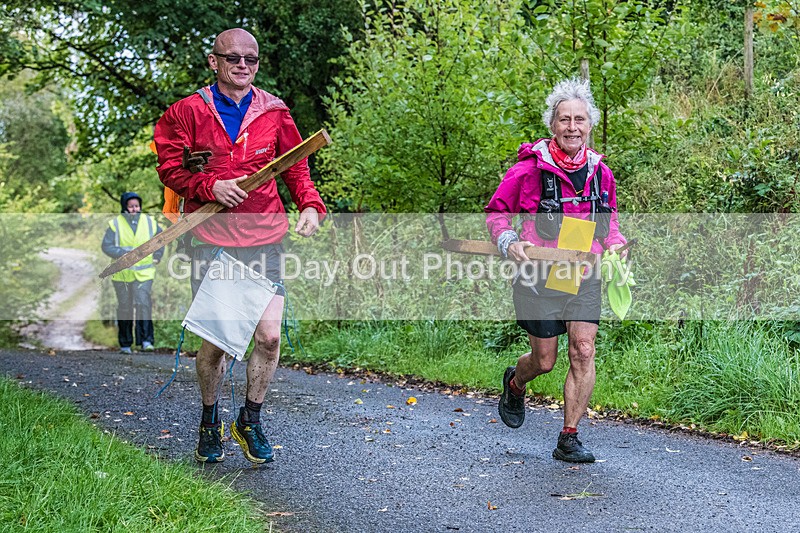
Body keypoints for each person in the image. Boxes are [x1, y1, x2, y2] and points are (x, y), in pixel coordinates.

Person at [153, 28, 326, 465]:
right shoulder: (186, 112)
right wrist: (209, 184)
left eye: (250, 59)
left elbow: (295, 165)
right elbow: (170, 169)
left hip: (266, 237)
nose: (242, 66)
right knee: (218, 342)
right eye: (233, 58)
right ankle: (210, 419)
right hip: (210, 239)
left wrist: (308, 204)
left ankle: (249, 417)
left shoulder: (275, 111)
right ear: (214, 62)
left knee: (268, 337)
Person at [485, 78, 626, 463]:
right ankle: (515, 382)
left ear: (590, 125)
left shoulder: (602, 173)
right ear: (553, 125)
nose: (572, 127)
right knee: (544, 360)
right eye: (564, 119)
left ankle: (569, 436)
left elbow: (608, 221)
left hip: (582, 274)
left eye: (579, 119)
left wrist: (615, 243)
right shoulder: (528, 171)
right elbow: (497, 212)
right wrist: (507, 240)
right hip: (538, 274)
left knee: (583, 349)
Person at [101, 192, 163, 354]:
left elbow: (161, 240)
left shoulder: (150, 222)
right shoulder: (115, 224)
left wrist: (157, 256)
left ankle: (146, 341)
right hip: (122, 275)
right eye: (131, 206)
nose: (134, 209)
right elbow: (106, 246)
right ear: (125, 207)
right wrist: (123, 252)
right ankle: (125, 343)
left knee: (143, 305)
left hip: (145, 273)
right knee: (125, 308)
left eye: (137, 206)